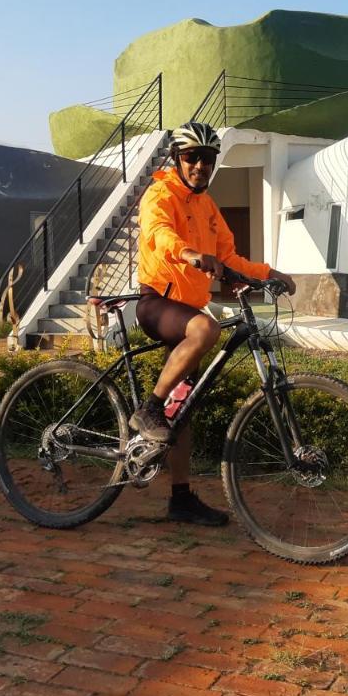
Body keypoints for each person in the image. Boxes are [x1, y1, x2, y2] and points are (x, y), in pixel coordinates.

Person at [131, 121, 297, 525]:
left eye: (208, 158)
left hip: (186, 310)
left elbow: (230, 258)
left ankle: (181, 497)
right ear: (177, 159)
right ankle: (148, 409)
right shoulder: (160, 194)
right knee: (205, 329)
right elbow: (158, 235)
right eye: (192, 157)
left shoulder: (207, 207)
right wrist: (188, 253)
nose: (200, 165)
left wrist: (269, 272)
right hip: (158, 303)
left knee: (183, 409)